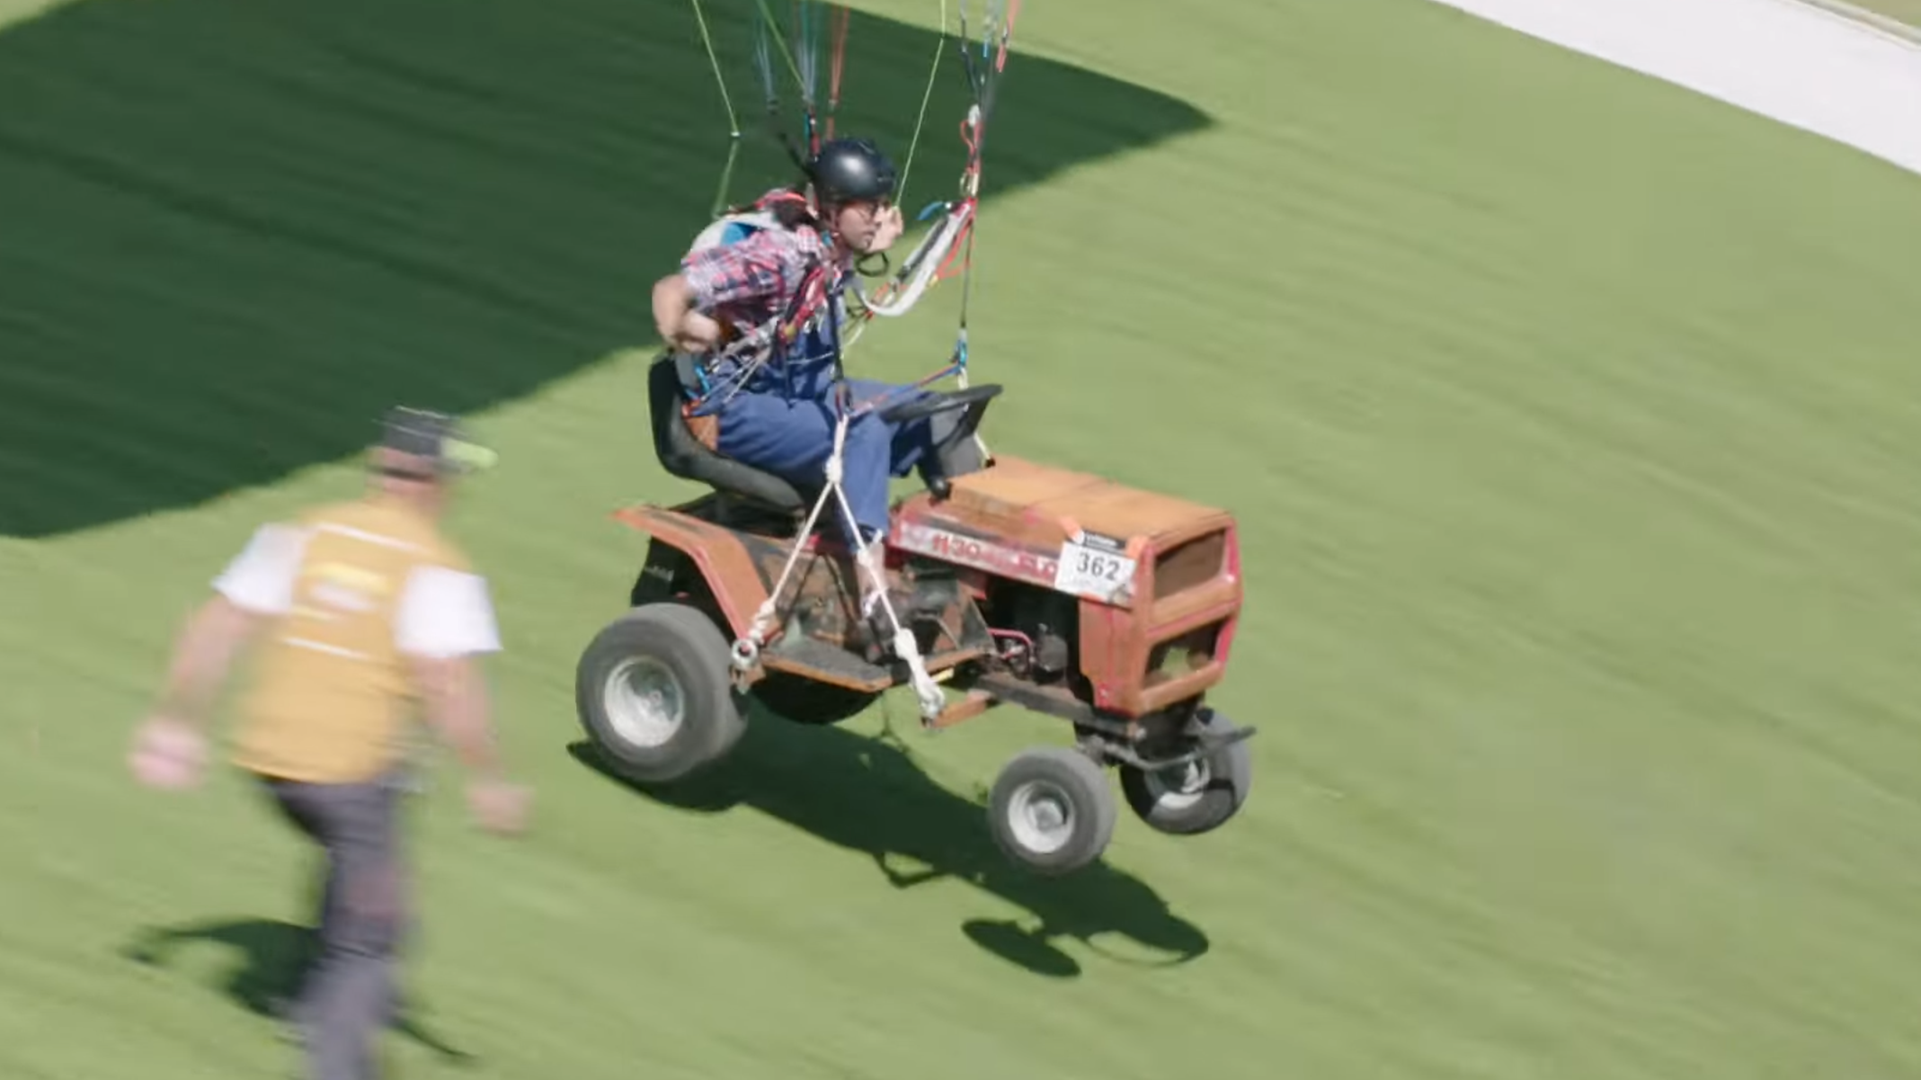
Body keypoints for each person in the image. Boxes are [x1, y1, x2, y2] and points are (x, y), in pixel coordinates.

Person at [126, 406, 531, 1080]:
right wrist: (489, 777)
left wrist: (175, 722)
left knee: (357, 851)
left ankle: (307, 993)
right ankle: (335, 1049)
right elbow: (448, 681)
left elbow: (219, 621)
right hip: (348, 774)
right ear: (432, 483)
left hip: (269, 763)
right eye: (454, 478)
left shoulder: (306, 533)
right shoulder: (436, 567)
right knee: (374, 938)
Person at [649, 136, 983, 599]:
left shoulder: (833, 241)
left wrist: (868, 242)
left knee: (936, 412)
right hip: (735, 409)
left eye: (885, 205)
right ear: (831, 207)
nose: (885, 218)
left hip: (798, 392)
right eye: (872, 208)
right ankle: (875, 600)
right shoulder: (777, 255)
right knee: (862, 431)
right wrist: (694, 332)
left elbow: (836, 258)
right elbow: (670, 293)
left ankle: (972, 569)